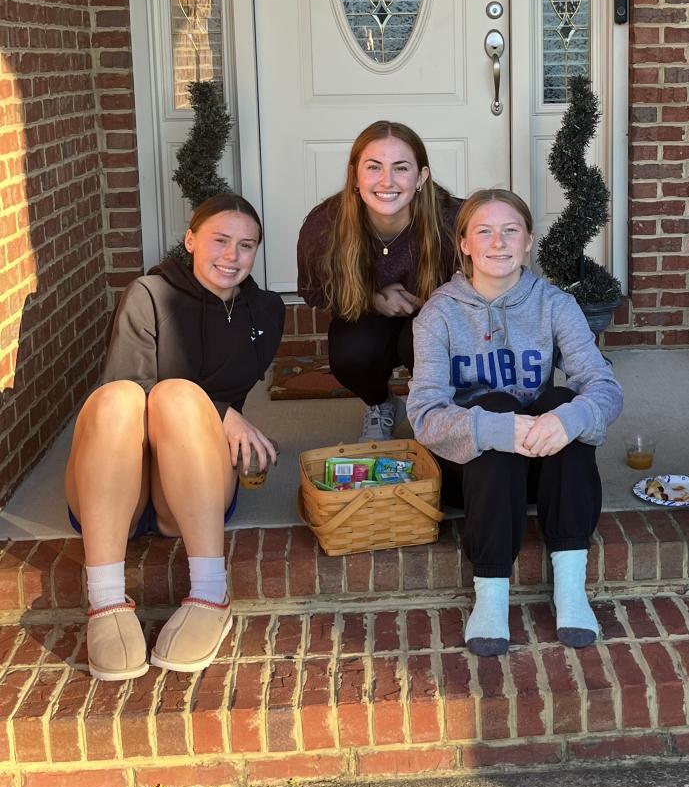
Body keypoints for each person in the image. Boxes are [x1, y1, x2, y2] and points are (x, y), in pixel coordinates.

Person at [66, 193, 285, 682]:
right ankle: (105, 600)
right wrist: (224, 413)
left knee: (180, 398)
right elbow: (131, 387)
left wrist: (219, 419)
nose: (231, 256)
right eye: (219, 240)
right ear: (190, 240)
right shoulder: (149, 294)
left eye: (246, 245)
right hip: (116, 482)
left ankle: (209, 594)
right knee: (118, 398)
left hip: (188, 489)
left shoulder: (267, 311)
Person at [407, 189, 623, 657]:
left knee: (565, 401)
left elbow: (604, 386)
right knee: (497, 404)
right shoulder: (439, 314)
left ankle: (570, 588)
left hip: (542, 466)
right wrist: (497, 429)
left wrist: (570, 418)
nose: (498, 242)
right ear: (464, 243)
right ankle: (491, 594)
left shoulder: (555, 304)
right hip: (475, 475)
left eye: (510, 231)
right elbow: (424, 414)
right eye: (484, 231)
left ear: (528, 241)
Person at [297, 121, 459, 441]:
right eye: (374, 167)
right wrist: (371, 298)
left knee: (425, 343)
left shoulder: (453, 220)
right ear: (355, 175)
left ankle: (438, 413)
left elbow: (484, 287)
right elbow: (313, 290)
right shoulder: (325, 225)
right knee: (351, 354)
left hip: (435, 315)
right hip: (366, 314)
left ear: (421, 177)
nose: (387, 181)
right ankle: (381, 404)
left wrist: (433, 302)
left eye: (401, 168)